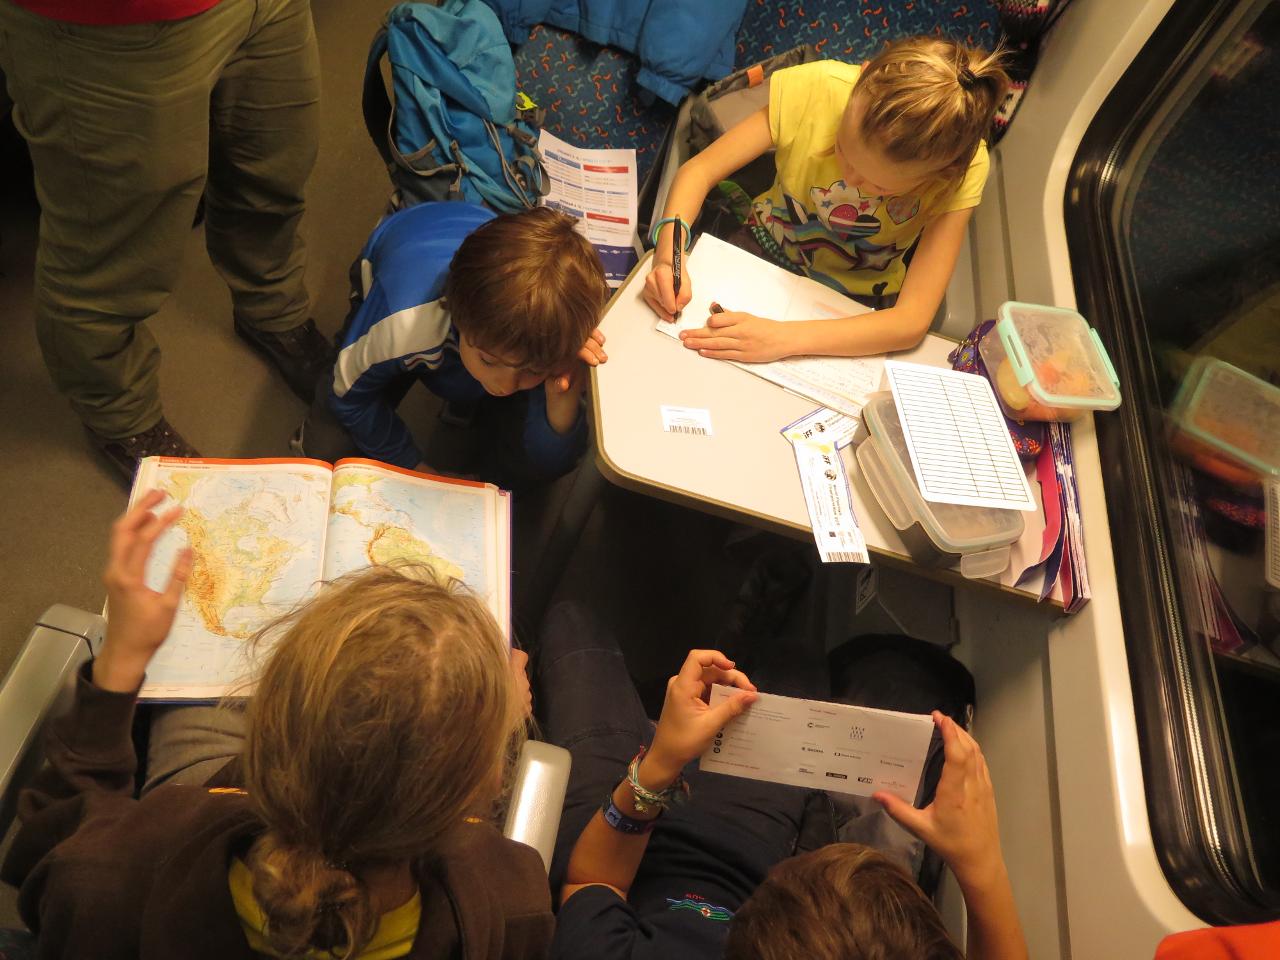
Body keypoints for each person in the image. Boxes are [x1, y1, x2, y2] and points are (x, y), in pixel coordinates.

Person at [0, 492, 551, 959]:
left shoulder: (113, 871)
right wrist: (499, 722)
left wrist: (122, 659)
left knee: (184, 715)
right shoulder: (514, 900)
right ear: (485, 787)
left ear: (262, 734)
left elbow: (53, 836)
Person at [535, 602, 1028, 960]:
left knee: (572, 620)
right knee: (796, 664)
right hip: (734, 855)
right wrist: (981, 867)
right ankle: (746, 634)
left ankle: (727, 639)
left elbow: (594, 880)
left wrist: (661, 762)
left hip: (614, 858)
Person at [0, 0, 334, 478]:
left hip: (263, 9)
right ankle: (119, 415)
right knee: (109, 251)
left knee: (272, 171)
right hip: (109, 30)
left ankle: (272, 309)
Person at [643, 37, 1010, 363]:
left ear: (940, 175)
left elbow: (911, 320)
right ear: (861, 76)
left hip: (859, 299)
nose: (850, 180)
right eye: (841, 151)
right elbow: (699, 171)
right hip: (763, 246)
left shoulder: (964, 168)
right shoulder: (818, 88)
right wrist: (667, 257)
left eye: (878, 187)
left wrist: (784, 339)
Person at [292, 203, 607, 489]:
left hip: (481, 281)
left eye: (532, 369)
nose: (505, 386)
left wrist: (563, 400)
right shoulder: (402, 322)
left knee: (544, 451)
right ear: (458, 315)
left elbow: (557, 457)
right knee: (327, 450)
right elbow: (349, 397)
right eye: (488, 360)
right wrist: (416, 468)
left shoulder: (556, 329)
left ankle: (485, 385)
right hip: (402, 262)